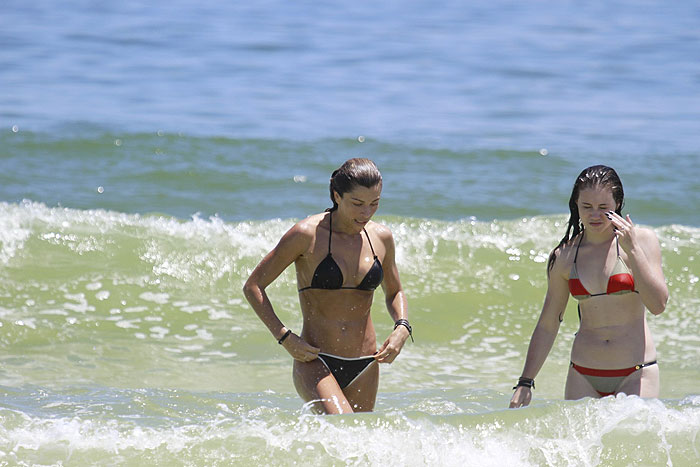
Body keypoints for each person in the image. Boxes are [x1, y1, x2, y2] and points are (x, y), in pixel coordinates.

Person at [243, 158, 412, 414]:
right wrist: (285, 337)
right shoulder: (306, 234)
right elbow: (254, 286)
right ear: (337, 196)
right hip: (315, 360)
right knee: (342, 426)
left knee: (356, 445)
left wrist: (402, 327)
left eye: (374, 204)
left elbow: (395, 291)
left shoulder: (382, 238)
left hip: (366, 363)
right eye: (357, 204)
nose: (366, 213)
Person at [509, 165, 668, 408]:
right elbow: (548, 323)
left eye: (603, 208)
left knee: (632, 444)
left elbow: (658, 305)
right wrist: (525, 382)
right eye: (587, 207)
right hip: (583, 374)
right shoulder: (564, 256)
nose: (595, 215)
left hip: (637, 372)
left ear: (617, 204)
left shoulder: (642, 241)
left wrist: (633, 250)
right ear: (576, 205)